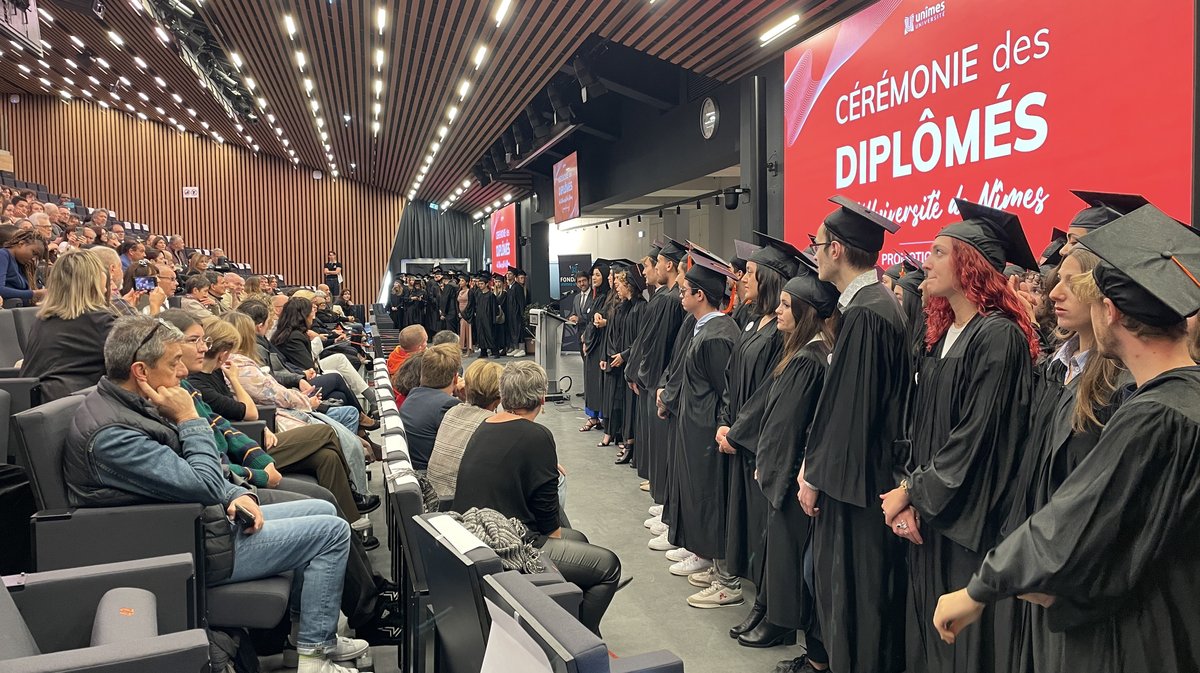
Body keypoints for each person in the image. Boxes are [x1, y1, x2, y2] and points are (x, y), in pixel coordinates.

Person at [933, 204, 1200, 673]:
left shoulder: (1153, 418)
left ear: (1110, 311)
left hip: (1136, 634)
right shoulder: (1186, 397)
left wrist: (980, 588)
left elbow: (1079, 524)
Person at [62, 315, 368, 673]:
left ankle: (303, 642)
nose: (182, 372)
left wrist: (233, 493)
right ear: (141, 371)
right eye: (174, 362)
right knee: (330, 533)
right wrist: (190, 419)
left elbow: (196, 475)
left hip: (199, 525)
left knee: (323, 511)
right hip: (179, 547)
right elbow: (200, 480)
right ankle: (316, 657)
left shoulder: (134, 404)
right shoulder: (114, 435)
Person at [878, 200, 1038, 673]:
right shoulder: (943, 334)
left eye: (938, 251)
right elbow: (917, 425)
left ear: (970, 264)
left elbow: (976, 440)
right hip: (932, 511)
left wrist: (913, 493)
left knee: (963, 647)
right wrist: (910, 493)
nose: (925, 260)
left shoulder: (997, 337)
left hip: (969, 521)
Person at [997, 246, 1128, 673]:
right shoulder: (1056, 368)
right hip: (1038, 558)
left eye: (1073, 284)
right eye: (1057, 280)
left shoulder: (1117, 388)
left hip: (1072, 574)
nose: (1055, 292)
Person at [801, 196, 909, 673]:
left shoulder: (867, 312)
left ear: (839, 250)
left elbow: (850, 412)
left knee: (853, 595)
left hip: (857, 487)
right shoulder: (874, 304)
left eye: (818, 244)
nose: (816, 252)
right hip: (865, 476)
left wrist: (814, 476)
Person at [454, 361, 623, 635]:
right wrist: (550, 567)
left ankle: (565, 611)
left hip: (472, 533)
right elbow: (547, 518)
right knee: (608, 566)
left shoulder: (486, 424)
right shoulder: (537, 435)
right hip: (505, 542)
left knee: (578, 539)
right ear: (541, 399)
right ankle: (579, 637)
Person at [755, 263, 841, 673]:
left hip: (794, 482)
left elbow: (787, 425)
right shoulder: (815, 352)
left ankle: (814, 657)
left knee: (804, 574)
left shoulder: (809, 359)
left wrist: (769, 470)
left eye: (788, 305)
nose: (780, 311)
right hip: (797, 476)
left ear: (806, 312)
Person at [716, 234, 794, 643]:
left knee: (767, 531)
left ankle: (769, 607)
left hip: (759, 443)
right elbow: (732, 376)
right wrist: (727, 420)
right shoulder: (751, 321)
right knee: (749, 527)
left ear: (768, 279)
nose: (741, 279)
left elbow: (770, 392)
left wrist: (740, 432)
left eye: (748, 273)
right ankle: (760, 602)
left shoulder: (782, 332)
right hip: (739, 439)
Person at [656, 246, 741, 607]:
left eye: (684, 290)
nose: (679, 294)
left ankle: (727, 580)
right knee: (699, 497)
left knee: (712, 500)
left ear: (700, 295)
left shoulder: (718, 333)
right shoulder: (703, 328)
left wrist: (719, 430)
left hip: (708, 434)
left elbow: (726, 393)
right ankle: (708, 558)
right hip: (694, 429)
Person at [19, 249, 116, 400]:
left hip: (34, 405)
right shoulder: (99, 321)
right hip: (69, 409)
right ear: (93, 282)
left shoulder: (42, 319)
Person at [636, 238, 688, 511]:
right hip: (661, 379)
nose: (651, 269)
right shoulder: (667, 299)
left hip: (660, 380)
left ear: (669, 264)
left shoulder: (668, 301)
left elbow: (659, 346)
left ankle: (663, 494)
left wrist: (649, 379)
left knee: (663, 441)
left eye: (655, 263)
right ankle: (661, 492)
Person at [427, 359, 504, 500]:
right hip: (458, 506)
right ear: (500, 396)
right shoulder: (492, 425)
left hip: (433, 497)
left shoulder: (452, 411)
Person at [599, 261, 645, 454]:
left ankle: (630, 443)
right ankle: (627, 441)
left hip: (631, 362)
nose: (617, 285)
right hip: (622, 361)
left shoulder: (641, 308)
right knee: (622, 403)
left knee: (630, 406)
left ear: (630, 286)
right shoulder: (625, 307)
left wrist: (625, 355)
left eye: (620, 282)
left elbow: (641, 339)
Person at [399, 343, 464, 471]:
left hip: (414, 471)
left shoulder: (412, 396)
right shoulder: (448, 405)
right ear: (456, 379)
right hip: (432, 477)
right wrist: (469, 400)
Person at [579, 259, 612, 432]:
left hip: (599, 345)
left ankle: (598, 417)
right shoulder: (597, 296)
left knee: (597, 382)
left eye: (598, 275)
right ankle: (592, 416)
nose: (594, 278)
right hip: (591, 343)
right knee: (590, 382)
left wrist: (589, 339)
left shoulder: (607, 297)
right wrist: (585, 338)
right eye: (593, 275)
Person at [0, 228, 45, 305]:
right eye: (34, 253)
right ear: (21, 244)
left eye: (37, 257)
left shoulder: (22, 264)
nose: (33, 258)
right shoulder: (3, 255)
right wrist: (35, 293)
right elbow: (1, 289)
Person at [471, 272, 502, 358]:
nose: (480, 285)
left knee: (490, 334)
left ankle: (495, 352)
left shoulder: (491, 295)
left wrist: (493, 318)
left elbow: (494, 308)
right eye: (479, 284)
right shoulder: (478, 294)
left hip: (488, 318)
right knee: (481, 334)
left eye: (481, 284)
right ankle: (483, 352)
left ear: (486, 284)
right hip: (480, 317)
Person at [504, 267, 530, 356]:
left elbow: (521, 302)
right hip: (511, 314)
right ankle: (516, 348)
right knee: (513, 330)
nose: (508, 275)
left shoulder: (517, 287)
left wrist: (522, 314)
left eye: (510, 274)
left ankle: (522, 349)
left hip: (517, 313)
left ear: (514, 276)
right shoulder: (510, 287)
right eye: (507, 274)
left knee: (519, 330)